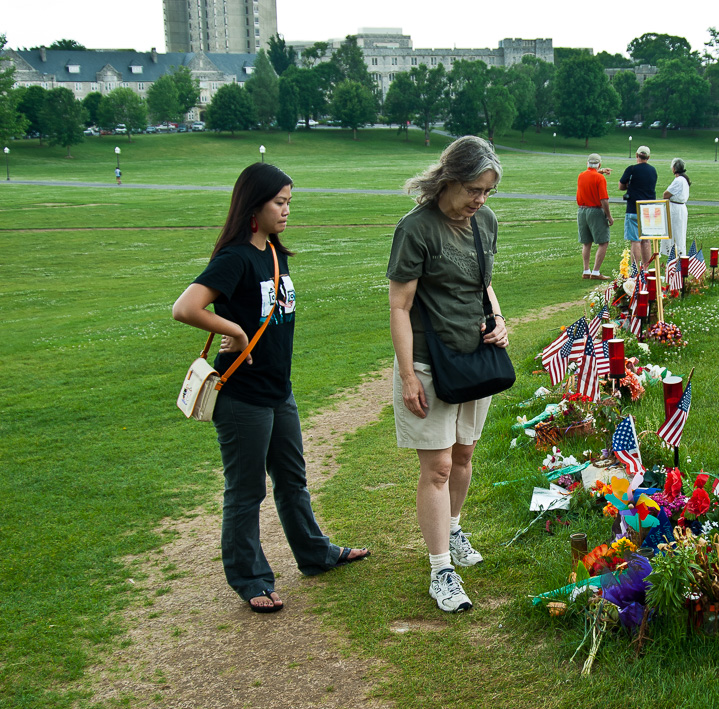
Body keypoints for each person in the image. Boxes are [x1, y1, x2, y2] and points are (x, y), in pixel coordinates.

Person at [172, 163, 370, 614]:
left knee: (292, 479)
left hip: (280, 390)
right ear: (253, 206)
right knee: (246, 492)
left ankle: (316, 554)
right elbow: (185, 308)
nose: (286, 211)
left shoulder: (273, 253)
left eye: (288, 203)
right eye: (279, 203)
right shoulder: (236, 257)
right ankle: (250, 579)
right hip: (242, 396)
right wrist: (236, 333)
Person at [387, 136, 509, 613]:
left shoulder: (485, 223)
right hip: (428, 363)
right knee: (436, 466)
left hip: (474, 359)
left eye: (488, 193)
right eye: (475, 190)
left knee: (463, 454)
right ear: (450, 180)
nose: (480, 201)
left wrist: (498, 320)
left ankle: (453, 528)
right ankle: (441, 570)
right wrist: (408, 377)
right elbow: (400, 305)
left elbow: (485, 283)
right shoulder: (416, 229)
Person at [618, 145, 657, 269]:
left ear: (636, 155)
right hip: (649, 209)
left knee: (635, 240)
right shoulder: (653, 170)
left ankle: (635, 268)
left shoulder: (632, 169)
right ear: (648, 157)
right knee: (646, 240)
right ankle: (646, 268)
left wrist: (629, 186)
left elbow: (621, 186)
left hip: (633, 208)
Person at [576, 153, 613, 280]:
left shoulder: (581, 176)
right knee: (603, 241)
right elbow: (604, 199)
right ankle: (596, 272)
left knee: (586, 242)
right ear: (600, 164)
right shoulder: (600, 179)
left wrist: (600, 171)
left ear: (587, 163)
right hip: (595, 211)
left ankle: (586, 270)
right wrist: (609, 216)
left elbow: (591, 176)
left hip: (581, 211)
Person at [662, 158, 690, 261]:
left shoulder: (679, 180)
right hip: (679, 208)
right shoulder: (684, 179)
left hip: (676, 210)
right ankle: (676, 255)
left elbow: (666, 194)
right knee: (678, 233)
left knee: (676, 234)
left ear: (674, 168)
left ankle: (677, 256)